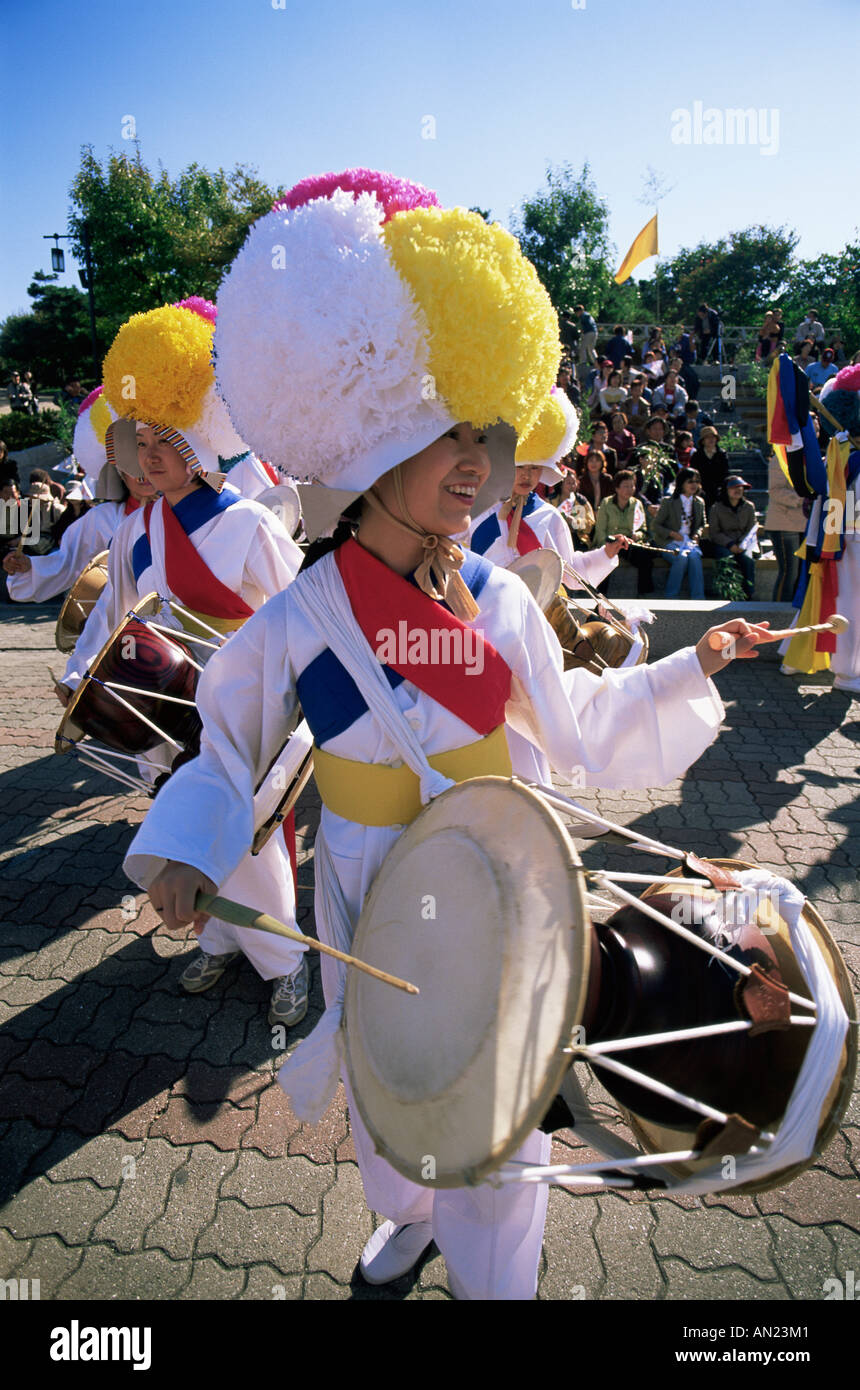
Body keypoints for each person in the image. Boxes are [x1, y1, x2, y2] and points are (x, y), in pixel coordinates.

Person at [125, 168, 765, 1301]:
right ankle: (408, 1219)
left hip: (504, 880)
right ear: (370, 450)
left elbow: (575, 731)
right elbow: (228, 743)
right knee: (393, 1096)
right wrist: (182, 849)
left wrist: (684, 668)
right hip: (367, 889)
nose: (481, 460)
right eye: (445, 436)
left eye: (486, 431)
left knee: (504, 1108)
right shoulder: (301, 617)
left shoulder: (504, 599)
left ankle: (495, 1279)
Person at [56, 298, 308, 1030]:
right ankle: (225, 936)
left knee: (253, 833)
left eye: (164, 438)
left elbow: (301, 611)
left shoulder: (252, 522)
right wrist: (84, 674)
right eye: (138, 440)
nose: (148, 454)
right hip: (179, 698)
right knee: (203, 827)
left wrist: (291, 693)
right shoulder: (147, 524)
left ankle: (286, 962)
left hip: (254, 701)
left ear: (199, 442)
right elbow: (122, 613)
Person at [3, 387, 156, 601]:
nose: (142, 475)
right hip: (120, 621)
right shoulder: (101, 519)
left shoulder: (189, 509)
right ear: (119, 473)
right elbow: (66, 562)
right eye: (131, 466)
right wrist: (29, 567)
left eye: (150, 464)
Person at [592, 469, 653, 595]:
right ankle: (599, 597)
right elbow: (600, 530)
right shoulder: (606, 503)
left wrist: (638, 535)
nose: (630, 489)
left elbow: (643, 529)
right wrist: (608, 543)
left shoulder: (637, 504)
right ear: (617, 488)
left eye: (632, 486)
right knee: (605, 559)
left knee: (645, 558)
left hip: (629, 543)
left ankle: (644, 595)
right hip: (610, 542)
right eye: (625, 486)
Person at [652, 468, 706, 599]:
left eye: (696, 481)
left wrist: (698, 534)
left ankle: (699, 598)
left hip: (689, 542)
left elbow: (701, 525)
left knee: (694, 558)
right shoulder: (668, 501)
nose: (694, 485)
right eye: (690, 482)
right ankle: (671, 596)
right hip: (668, 542)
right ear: (681, 483)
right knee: (681, 558)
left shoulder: (699, 502)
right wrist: (671, 533)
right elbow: (656, 525)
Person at [764, 451, 806, 603]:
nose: (814, 433)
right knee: (789, 573)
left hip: (804, 524)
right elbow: (775, 491)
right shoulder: (780, 457)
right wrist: (804, 499)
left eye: (817, 430)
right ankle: (779, 611)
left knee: (802, 573)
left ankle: (794, 612)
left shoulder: (812, 456)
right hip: (784, 524)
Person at [708, 475, 758, 597]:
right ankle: (728, 593)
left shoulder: (749, 507)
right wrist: (730, 544)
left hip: (743, 544)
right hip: (723, 544)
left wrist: (742, 544)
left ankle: (749, 593)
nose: (738, 490)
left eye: (741, 488)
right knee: (726, 558)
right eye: (734, 487)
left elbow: (751, 529)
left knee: (747, 560)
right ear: (726, 490)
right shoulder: (716, 508)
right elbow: (714, 532)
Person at [631, 416, 676, 504]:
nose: (657, 432)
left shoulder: (669, 449)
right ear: (648, 431)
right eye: (654, 429)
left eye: (660, 429)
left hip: (664, 484)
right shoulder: (641, 448)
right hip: (642, 484)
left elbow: (673, 471)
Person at [691, 424, 729, 509]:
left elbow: (725, 473)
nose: (711, 439)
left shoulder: (722, 454)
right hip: (701, 489)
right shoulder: (697, 455)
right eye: (707, 437)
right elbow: (694, 473)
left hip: (718, 489)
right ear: (703, 441)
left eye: (713, 437)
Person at [623, 375, 652, 442]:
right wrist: (632, 418)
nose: (637, 392)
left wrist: (637, 418)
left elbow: (646, 417)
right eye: (636, 390)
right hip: (628, 425)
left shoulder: (645, 404)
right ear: (632, 391)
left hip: (640, 426)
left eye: (639, 390)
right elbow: (623, 415)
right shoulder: (626, 403)